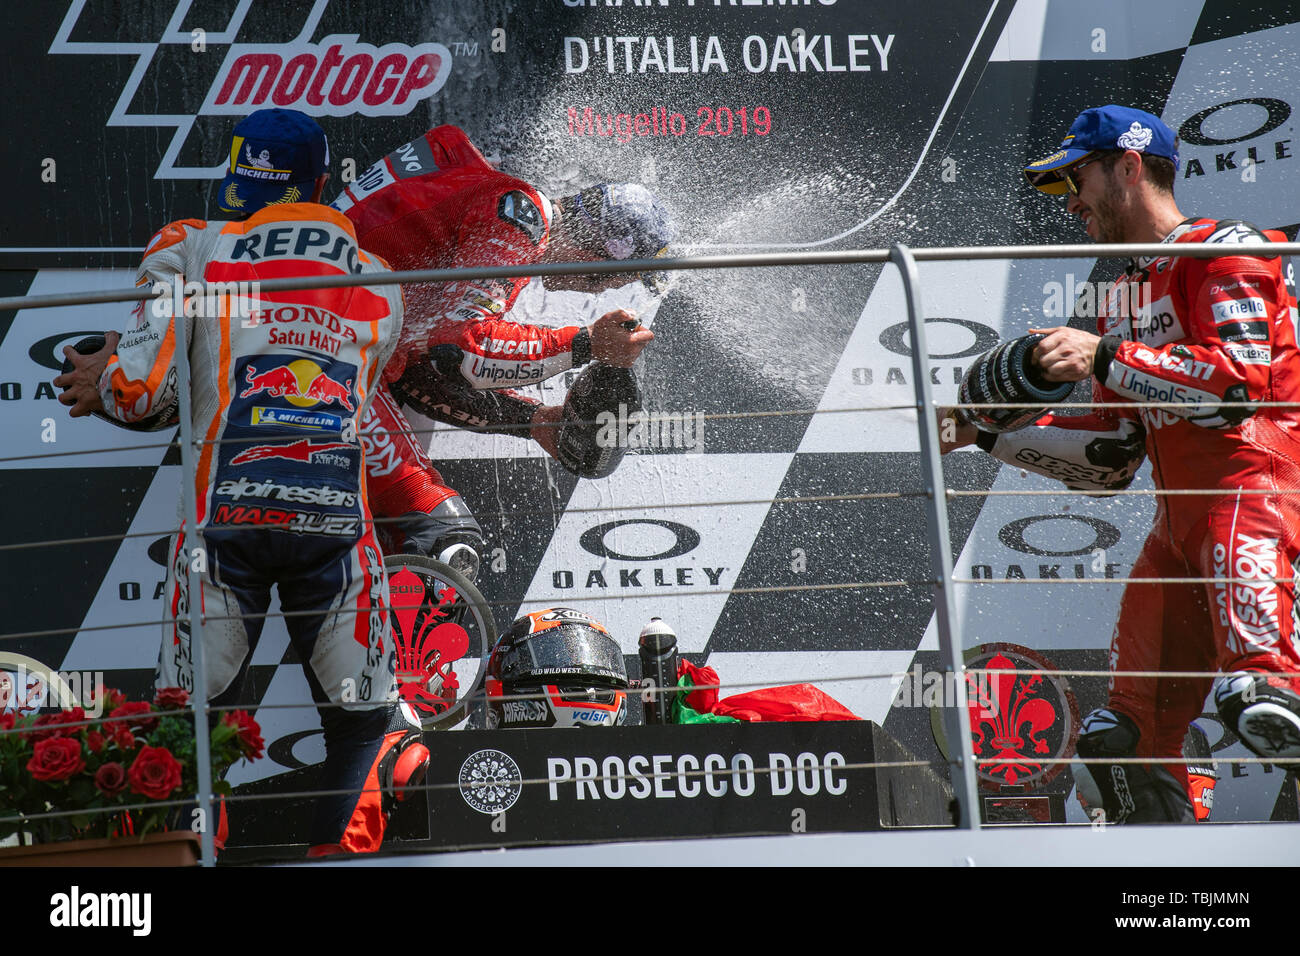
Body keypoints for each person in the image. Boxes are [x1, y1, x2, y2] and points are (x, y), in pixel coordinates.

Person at [55, 108, 426, 856]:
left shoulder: (190, 247)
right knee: (363, 724)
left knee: (188, 722)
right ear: (318, 184)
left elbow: (139, 394)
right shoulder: (380, 279)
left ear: (237, 177)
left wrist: (108, 378)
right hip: (335, 528)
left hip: (223, 523)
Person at [941, 105, 1300, 823]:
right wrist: (985, 434)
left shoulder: (1226, 248)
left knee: (1263, 700)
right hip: (1177, 531)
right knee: (1118, 745)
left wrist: (1105, 355)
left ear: (1128, 167)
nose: (1070, 200)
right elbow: (1109, 460)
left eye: (1077, 177)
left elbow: (1235, 390)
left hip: (1251, 496)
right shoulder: (1128, 292)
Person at [333, 126, 674, 578]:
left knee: (424, 538)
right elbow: (464, 348)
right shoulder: (519, 214)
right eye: (610, 277)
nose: (606, 288)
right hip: (322, 353)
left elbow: (421, 374)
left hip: (332, 349)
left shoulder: (493, 205)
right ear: (599, 251)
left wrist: (534, 422)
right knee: (447, 540)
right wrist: (586, 343)